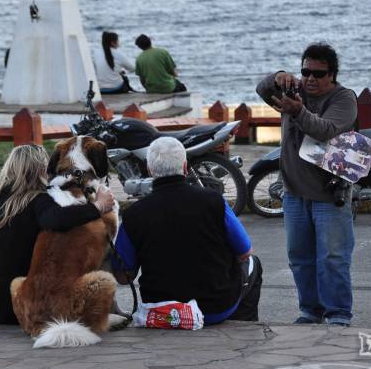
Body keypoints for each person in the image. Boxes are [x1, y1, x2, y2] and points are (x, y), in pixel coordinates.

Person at [256, 42, 357, 326]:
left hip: (329, 193)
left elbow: (325, 130)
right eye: (305, 72)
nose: (310, 78)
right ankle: (310, 311)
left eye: (318, 73)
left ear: (332, 75)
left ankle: (338, 314)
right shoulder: (293, 91)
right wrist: (277, 77)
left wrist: (298, 112)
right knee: (300, 258)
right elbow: (262, 90)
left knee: (333, 259)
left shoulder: (343, 98)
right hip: (293, 192)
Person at [111, 137, 262, 325]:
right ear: (184, 167)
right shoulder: (213, 201)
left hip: (163, 312)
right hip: (214, 309)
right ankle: (244, 326)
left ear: (149, 170)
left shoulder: (134, 214)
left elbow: (123, 277)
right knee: (253, 263)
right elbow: (245, 252)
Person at [0, 144, 115, 324]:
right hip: (12, 305)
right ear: (41, 170)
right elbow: (57, 220)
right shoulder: (37, 200)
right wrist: (98, 206)